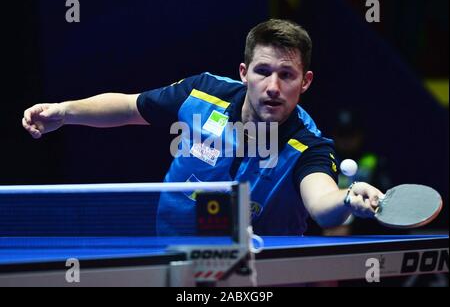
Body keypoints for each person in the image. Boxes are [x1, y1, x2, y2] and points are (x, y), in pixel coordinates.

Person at [22, 19, 384, 236]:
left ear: (304, 82)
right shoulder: (201, 93)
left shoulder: (309, 145)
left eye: (286, 75)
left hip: (260, 275)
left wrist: (349, 198)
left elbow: (321, 202)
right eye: (263, 71)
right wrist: (64, 112)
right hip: (171, 254)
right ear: (244, 74)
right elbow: (130, 106)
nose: (273, 86)